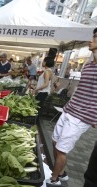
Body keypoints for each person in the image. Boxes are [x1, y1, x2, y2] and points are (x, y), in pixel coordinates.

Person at [46, 28, 97, 186]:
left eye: (95, 37)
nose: (91, 40)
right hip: (69, 110)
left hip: (82, 117)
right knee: (55, 142)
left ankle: (54, 180)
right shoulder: (88, 66)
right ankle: (62, 173)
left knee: (62, 150)